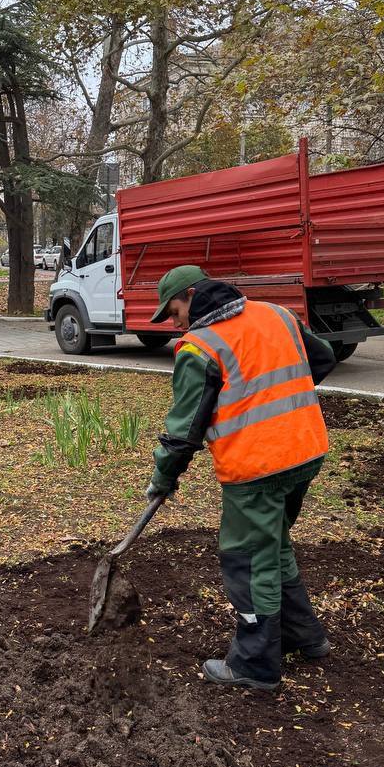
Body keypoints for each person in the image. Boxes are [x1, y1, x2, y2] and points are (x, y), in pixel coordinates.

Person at [145, 265, 337, 691]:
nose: (174, 324)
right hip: (306, 451)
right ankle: (304, 635)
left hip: (257, 468)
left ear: (191, 295)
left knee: (247, 559)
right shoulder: (276, 314)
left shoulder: (200, 347)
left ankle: (255, 663)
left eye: (174, 312)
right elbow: (323, 357)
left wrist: (163, 478)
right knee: (273, 545)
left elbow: (183, 432)